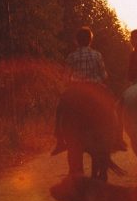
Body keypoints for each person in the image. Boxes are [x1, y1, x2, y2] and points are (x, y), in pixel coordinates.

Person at [52, 26, 126, 156]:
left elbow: (65, 77)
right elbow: (103, 76)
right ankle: (117, 139)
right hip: (95, 88)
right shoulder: (97, 55)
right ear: (90, 40)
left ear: (76, 41)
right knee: (112, 106)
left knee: (60, 108)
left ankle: (59, 140)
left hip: (76, 89)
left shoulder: (72, 56)